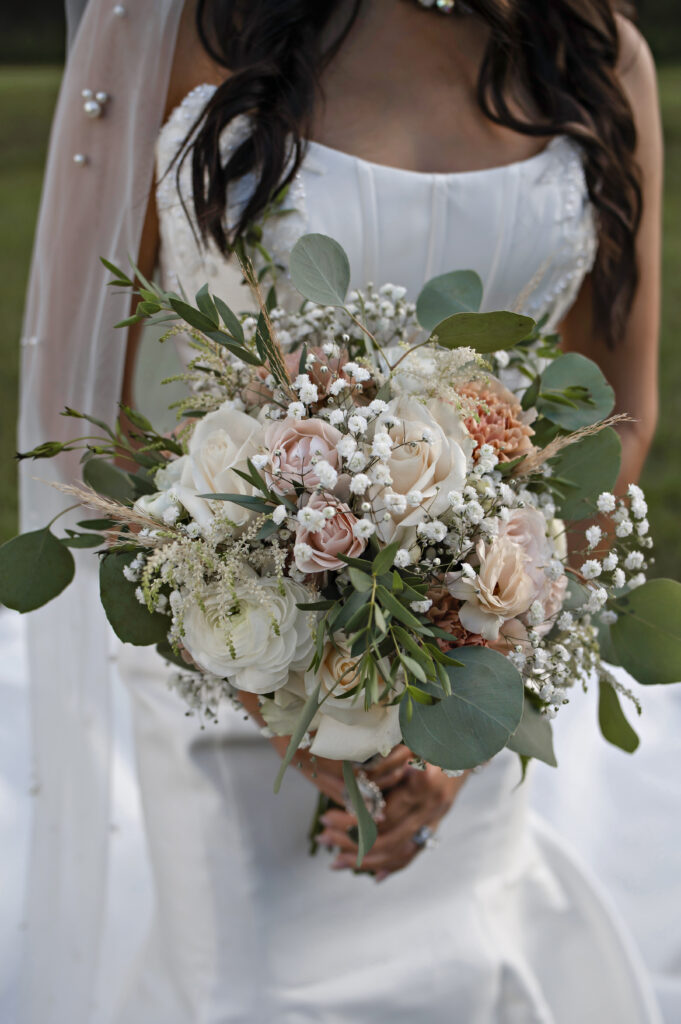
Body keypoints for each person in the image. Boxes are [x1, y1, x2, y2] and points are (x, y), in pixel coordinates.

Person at [18, 1, 663, 1021]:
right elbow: (80, 398)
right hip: (228, 679)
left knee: (465, 975)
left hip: (478, 667)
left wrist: (477, 705)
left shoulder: (594, 55)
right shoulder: (188, 23)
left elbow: (617, 407)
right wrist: (260, 666)